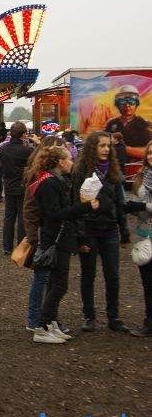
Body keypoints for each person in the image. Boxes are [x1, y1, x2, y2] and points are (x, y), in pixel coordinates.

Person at [31, 146, 99, 344]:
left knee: (56, 283)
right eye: (69, 159)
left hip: (58, 238)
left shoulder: (54, 181)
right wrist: (85, 207)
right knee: (59, 285)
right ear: (60, 162)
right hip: (56, 239)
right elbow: (56, 214)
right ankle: (42, 327)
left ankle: (49, 323)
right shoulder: (50, 184)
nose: (72, 162)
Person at [72, 131, 133, 333]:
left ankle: (113, 316)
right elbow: (76, 205)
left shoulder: (114, 172)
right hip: (89, 230)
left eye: (108, 146)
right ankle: (89, 316)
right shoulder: (81, 171)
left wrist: (124, 232)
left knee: (113, 275)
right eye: (102, 146)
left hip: (109, 230)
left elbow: (120, 203)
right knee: (88, 275)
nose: (107, 149)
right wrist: (80, 237)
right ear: (92, 148)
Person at [23, 136, 67, 333]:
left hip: (51, 234)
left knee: (50, 279)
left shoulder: (54, 177)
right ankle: (35, 319)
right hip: (43, 235)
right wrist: (33, 237)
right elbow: (29, 208)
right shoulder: (41, 177)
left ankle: (48, 318)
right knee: (42, 279)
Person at [127, 140, 152, 336]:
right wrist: (135, 207)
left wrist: (143, 207)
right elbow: (136, 203)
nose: (151, 156)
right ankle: (149, 321)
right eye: (149, 153)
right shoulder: (141, 176)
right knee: (147, 282)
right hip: (144, 235)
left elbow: (142, 206)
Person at [0, 122, 32, 255]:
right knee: (22, 216)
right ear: (23, 134)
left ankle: (7, 246)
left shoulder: (3, 149)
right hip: (22, 185)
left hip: (8, 184)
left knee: (9, 217)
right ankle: (20, 245)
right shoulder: (27, 151)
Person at [104, 85, 151, 159]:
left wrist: (123, 149)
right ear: (117, 104)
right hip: (115, 166)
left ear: (136, 104)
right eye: (122, 101)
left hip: (136, 167)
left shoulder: (144, 124)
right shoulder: (111, 124)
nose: (127, 105)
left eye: (131, 101)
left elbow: (149, 151)